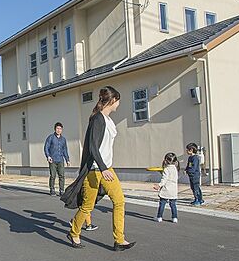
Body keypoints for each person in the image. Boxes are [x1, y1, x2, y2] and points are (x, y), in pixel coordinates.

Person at [61, 86, 135, 251]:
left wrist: (106, 167)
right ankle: (74, 232)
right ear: (113, 100)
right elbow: (93, 147)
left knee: (119, 201)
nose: (119, 104)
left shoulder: (108, 120)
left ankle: (119, 240)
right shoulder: (97, 119)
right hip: (96, 170)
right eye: (118, 100)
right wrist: (103, 168)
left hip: (107, 168)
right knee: (88, 206)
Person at [44, 122, 71, 196]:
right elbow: (46, 147)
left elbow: (65, 150)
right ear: (55, 129)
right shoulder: (51, 137)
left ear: (62, 130)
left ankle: (61, 190)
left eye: (60, 129)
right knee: (53, 175)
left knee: (61, 175)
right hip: (52, 160)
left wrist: (67, 160)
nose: (59, 130)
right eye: (57, 128)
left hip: (60, 160)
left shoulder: (63, 139)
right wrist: (48, 156)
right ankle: (52, 189)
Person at [153, 153, 179, 223]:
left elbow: (164, 179)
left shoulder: (166, 169)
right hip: (173, 190)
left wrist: (159, 185)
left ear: (166, 160)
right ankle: (175, 217)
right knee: (173, 204)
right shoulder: (175, 169)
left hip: (166, 189)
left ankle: (159, 217)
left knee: (162, 203)